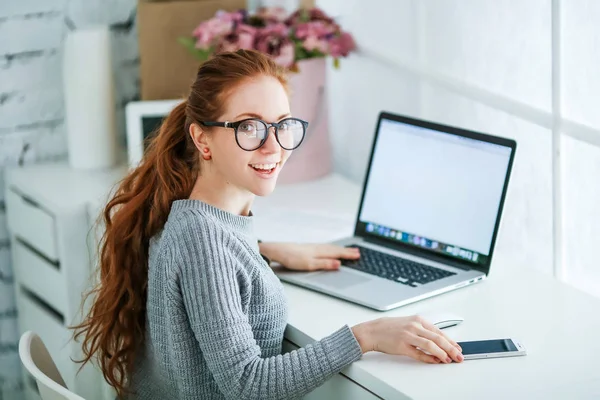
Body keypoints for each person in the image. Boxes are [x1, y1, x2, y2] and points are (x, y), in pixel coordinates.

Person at [73, 49, 463, 400]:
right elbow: (249, 385)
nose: (273, 146)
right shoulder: (202, 242)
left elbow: (211, 260)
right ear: (202, 140)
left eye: (282, 124)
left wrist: (264, 251)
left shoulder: (197, 220)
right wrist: (368, 336)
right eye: (249, 127)